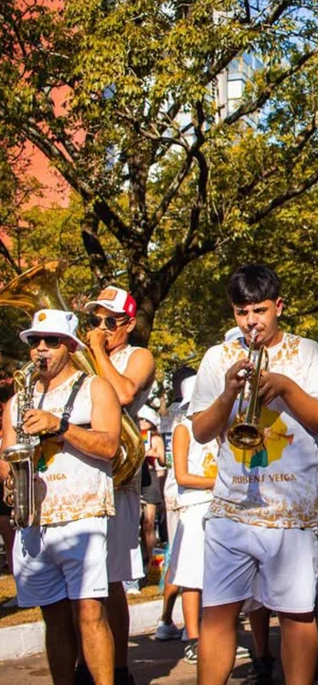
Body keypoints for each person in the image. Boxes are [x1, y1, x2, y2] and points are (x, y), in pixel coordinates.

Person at [190, 265, 318, 684]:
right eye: (242, 312)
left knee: (296, 615)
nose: (251, 322)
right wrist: (228, 393)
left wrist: (287, 387)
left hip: (292, 510)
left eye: (259, 310)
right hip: (232, 508)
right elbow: (201, 432)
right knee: (217, 614)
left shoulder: (308, 351)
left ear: (279, 306)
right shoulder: (217, 357)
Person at [0, 309, 121, 685]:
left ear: (70, 346)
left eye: (51, 341)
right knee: (52, 618)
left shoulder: (95, 388)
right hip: (34, 519)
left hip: (82, 515)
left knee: (90, 613)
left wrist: (60, 426)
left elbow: (110, 446)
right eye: (35, 341)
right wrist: (10, 478)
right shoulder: (16, 402)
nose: (41, 348)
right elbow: (6, 459)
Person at [83, 286, 156, 685]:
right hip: (83, 470)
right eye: (95, 320)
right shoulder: (85, 355)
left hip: (118, 475)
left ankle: (120, 668)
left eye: (109, 321)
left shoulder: (138, 356)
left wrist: (96, 351)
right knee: (81, 579)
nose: (101, 327)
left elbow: (124, 392)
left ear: (128, 323)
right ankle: (85, 662)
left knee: (110, 579)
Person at [165, 390, 217, 664]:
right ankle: (193, 638)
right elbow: (182, 476)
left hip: (217, 506)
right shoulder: (183, 429)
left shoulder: (217, 428)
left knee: (213, 575)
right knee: (191, 577)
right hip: (195, 506)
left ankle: (212, 636)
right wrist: (217, 482)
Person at [154, 367, 195, 643]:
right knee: (190, 560)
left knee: (178, 557)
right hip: (190, 490)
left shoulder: (169, 415)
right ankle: (192, 628)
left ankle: (167, 619)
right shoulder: (190, 418)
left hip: (174, 490)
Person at [137, 405, 164, 578]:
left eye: (145, 420)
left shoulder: (155, 438)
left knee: (149, 523)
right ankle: (144, 560)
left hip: (151, 478)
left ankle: (154, 566)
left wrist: (154, 454)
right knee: (138, 525)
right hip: (136, 478)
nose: (141, 422)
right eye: (140, 419)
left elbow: (163, 461)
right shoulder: (135, 435)